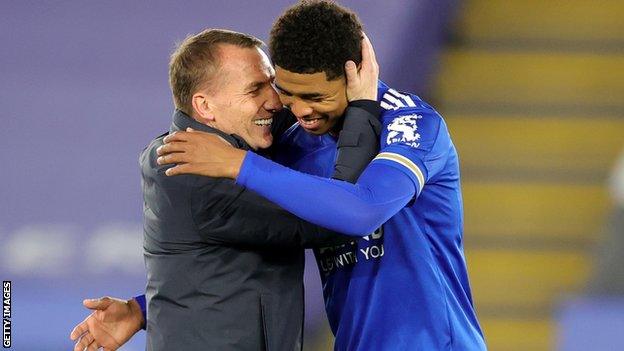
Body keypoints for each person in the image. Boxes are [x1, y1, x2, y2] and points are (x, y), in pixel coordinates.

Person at [157, 1, 486, 350]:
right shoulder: (293, 142)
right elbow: (242, 265)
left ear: (355, 76)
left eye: (315, 97)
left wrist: (241, 164)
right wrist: (145, 307)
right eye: (287, 92)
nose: (300, 111)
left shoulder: (411, 126)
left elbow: (362, 211)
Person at [69, 27, 381, 351]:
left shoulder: (241, 142)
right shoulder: (189, 173)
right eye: (255, 89)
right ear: (205, 106)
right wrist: (363, 108)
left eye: (271, 82)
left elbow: (222, 267)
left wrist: (142, 307)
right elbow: (335, 217)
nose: (275, 101)